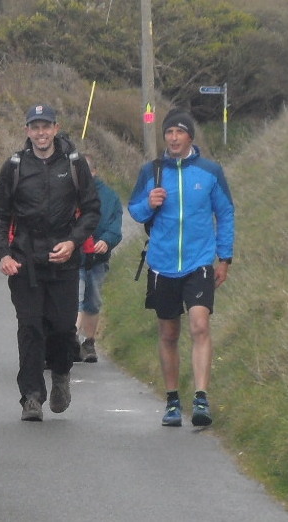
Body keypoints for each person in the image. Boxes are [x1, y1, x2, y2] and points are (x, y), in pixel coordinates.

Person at [0, 104, 100, 422]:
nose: (40, 132)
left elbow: (91, 209)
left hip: (63, 263)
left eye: (46, 126)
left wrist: (73, 241)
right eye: (34, 127)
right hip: (26, 263)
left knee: (63, 328)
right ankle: (32, 396)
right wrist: (4, 255)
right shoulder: (15, 166)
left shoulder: (74, 164)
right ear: (27, 131)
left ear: (55, 128)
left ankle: (62, 376)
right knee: (31, 328)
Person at [128, 108, 234, 428]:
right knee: (169, 332)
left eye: (179, 132)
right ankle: (172, 400)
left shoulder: (210, 171)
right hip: (162, 264)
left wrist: (224, 259)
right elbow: (134, 210)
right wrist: (150, 203)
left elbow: (226, 214)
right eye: (169, 133)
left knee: (200, 325)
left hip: (199, 261)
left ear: (190, 136)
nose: (173, 138)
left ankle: (201, 397)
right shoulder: (152, 171)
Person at [75, 153, 123, 363]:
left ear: (94, 172)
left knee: (92, 301)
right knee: (74, 299)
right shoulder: (66, 193)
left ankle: (89, 343)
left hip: (97, 259)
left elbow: (115, 227)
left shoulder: (110, 197)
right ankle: (70, 341)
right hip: (73, 258)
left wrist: (106, 241)